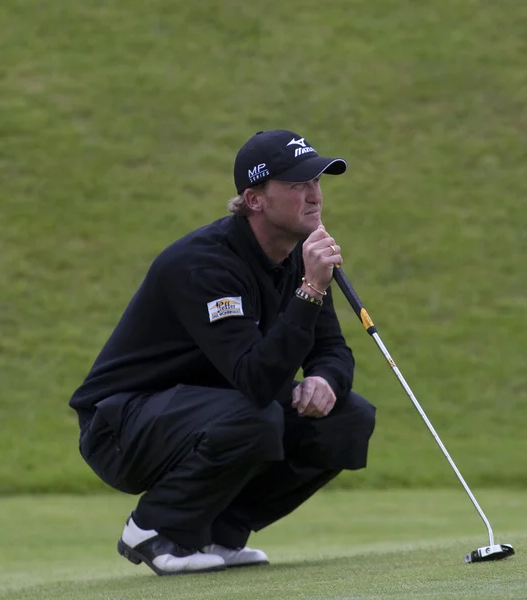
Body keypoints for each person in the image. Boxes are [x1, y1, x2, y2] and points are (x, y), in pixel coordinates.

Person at [69, 129, 376, 576]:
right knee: (257, 415)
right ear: (254, 199)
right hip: (120, 426)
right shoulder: (204, 264)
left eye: (317, 182)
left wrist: (325, 380)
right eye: (296, 185)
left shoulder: (298, 256)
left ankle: (219, 532)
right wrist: (310, 290)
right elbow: (256, 380)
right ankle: (155, 528)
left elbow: (330, 348)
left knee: (348, 418)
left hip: (210, 412)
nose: (314, 196)